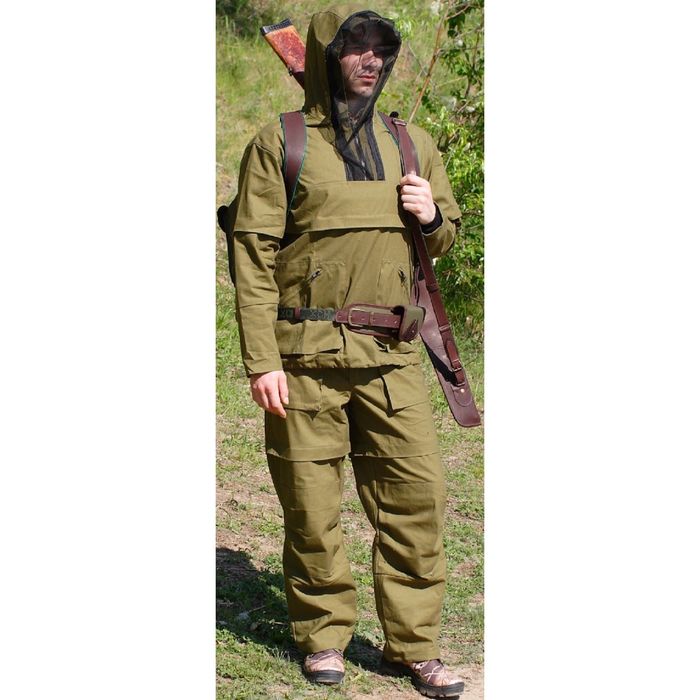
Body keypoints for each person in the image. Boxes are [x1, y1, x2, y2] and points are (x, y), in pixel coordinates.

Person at [231, 3, 466, 697]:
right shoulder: (281, 143)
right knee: (311, 506)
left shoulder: (412, 143)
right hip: (304, 359)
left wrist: (431, 214)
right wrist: (261, 359)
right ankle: (324, 637)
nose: (371, 59)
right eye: (354, 46)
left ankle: (414, 645)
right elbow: (253, 257)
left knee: (417, 500)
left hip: (392, 357)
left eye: (381, 48)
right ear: (325, 56)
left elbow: (444, 235)